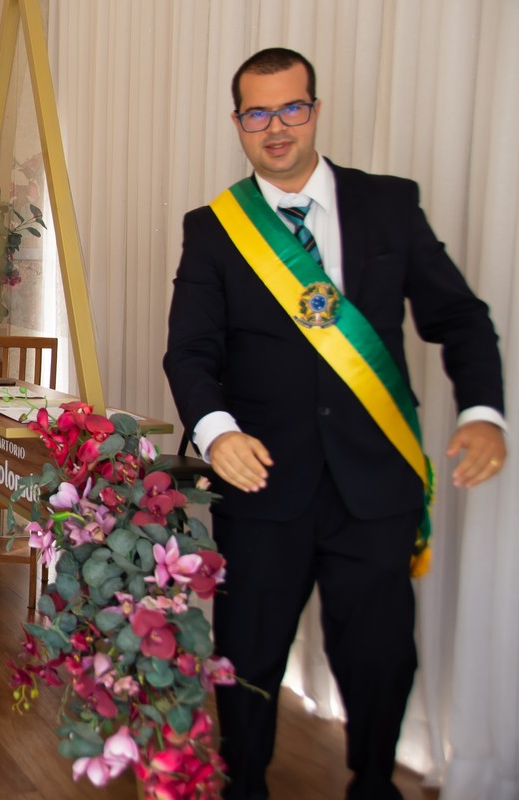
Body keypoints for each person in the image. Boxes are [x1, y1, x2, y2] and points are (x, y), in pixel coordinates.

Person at [163, 48, 507, 800]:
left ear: (314, 110)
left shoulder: (389, 204)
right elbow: (190, 351)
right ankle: (244, 786)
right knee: (249, 657)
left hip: (374, 487)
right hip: (264, 485)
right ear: (238, 123)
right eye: (258, 113)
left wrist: (484, 412)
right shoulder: (216, 228)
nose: (276, 127)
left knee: (380, 659)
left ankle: (375, 783)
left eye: (292, 108)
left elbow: (460, 318)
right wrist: (217, 431)